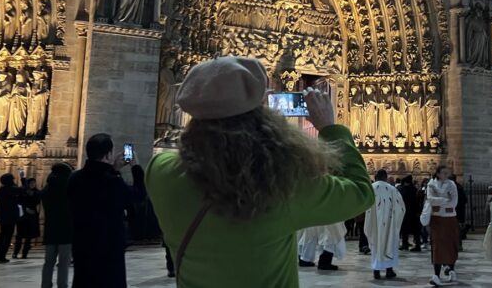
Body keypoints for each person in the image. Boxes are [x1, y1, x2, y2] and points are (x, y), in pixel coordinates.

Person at [145, 57, 374, 287]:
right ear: (262, 117)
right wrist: (330, 129)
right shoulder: (284, 185)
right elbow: (360, 192)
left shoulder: (160, 174)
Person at [68, 133, 145, 288]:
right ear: (109, 154)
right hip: (109, 248)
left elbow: (96, 183)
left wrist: (114, 169)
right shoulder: (113, 182)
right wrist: (135, 166)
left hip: (82, 244)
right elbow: (139, 194)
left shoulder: (75, 179)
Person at [365, 169, 405, 279]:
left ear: (375, 177)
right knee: (389, 244)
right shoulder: (393, 189)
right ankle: (389, 270)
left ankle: (376, 271)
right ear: (386, 177)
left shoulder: (371, 188)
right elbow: (401, 208)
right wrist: (395, 222)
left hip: (375, 224)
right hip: (390, 224)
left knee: (376, 245)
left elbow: (366, 207)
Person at [40, 162, 73, 288]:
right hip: (66, 229)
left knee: (48, 262)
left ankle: (45, 285)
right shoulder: (69, 188)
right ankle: (62, 285)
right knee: (64, 262)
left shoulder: (48, 189)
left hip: (50, 229)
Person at [427, 165, 460, 286]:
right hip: (437, 218)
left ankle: (451, 270)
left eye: (448, 173)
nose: (447, 175)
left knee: (450, 244)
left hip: (450, 218)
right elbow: (430, 199)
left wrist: (439, 200)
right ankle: (436, 274)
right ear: (438, 173)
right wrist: (445, 199)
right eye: (444, 173)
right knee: (437, 246)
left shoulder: (452, 184)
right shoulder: (431, 184)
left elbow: (454, 202)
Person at [0, 173, 20, 263]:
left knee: (2, 237)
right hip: (10, 216)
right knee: (7, 237)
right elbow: (23, 190)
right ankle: (1, 256)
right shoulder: (11, 189)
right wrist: (23, 178)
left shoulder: (1, 190)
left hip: (3, 216)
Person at [13, 177, 40, 259]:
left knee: (29, 236)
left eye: (34, 183)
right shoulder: (23, 192)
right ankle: (15, 252)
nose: (33, 184)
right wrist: (26, 209)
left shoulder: (36, 192)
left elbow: (37, 201)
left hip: (32, 215)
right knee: (20, 235)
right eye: (31, 183)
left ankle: (25, 253)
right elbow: (18, 202)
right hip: (23, 216)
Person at [399, 175, 422, 252]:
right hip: (414, 212)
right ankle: (417, 245)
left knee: (405, 229)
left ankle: (405, 244)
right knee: (416, 230)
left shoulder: (402, 189)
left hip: (405, 212)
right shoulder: (415, 189)